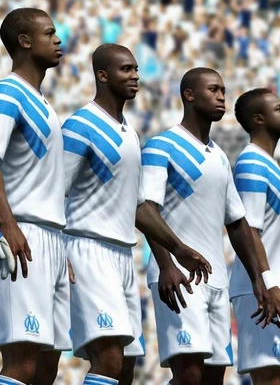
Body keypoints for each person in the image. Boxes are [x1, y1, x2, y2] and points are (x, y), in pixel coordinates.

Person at [61, 44, 211, 385]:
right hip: (89, 250)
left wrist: (177, 249)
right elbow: (56, 188)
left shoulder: (129, 132)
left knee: (126, 367)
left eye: (136, 70)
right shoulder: (81, 124)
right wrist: (58, 249)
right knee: (108, 359)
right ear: (102, 75)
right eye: (125, 69)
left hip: (123, 255)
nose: (135, 76)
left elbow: (139, 206)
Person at [141, 68, 280, 385]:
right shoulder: (161, 146)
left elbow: (237, 223)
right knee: (189, 374)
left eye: (223, 90)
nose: (221, 96)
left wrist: (258, 280)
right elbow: (145, 209)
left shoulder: (221, 157)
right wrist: (167, 264)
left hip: (216, 280)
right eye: (213, 90)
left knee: (213, 377)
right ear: (189, 95)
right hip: (180, 277)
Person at [0, 7, 69, 385]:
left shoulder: (43, 103)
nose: (58, 39)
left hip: (53, 239)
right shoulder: (6, 92)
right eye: (49, 33)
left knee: (47, 367)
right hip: (24, 235)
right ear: (25, 41)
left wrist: (63, 245)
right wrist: (7, 224)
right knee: (22, 363)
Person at [230, 88, 280, 384]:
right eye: (278, 109)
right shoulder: (251, 164)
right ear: (259, 119)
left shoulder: (271, 165)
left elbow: (277, 240)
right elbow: (249, 230)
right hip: (263, 292)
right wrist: (267, 283)